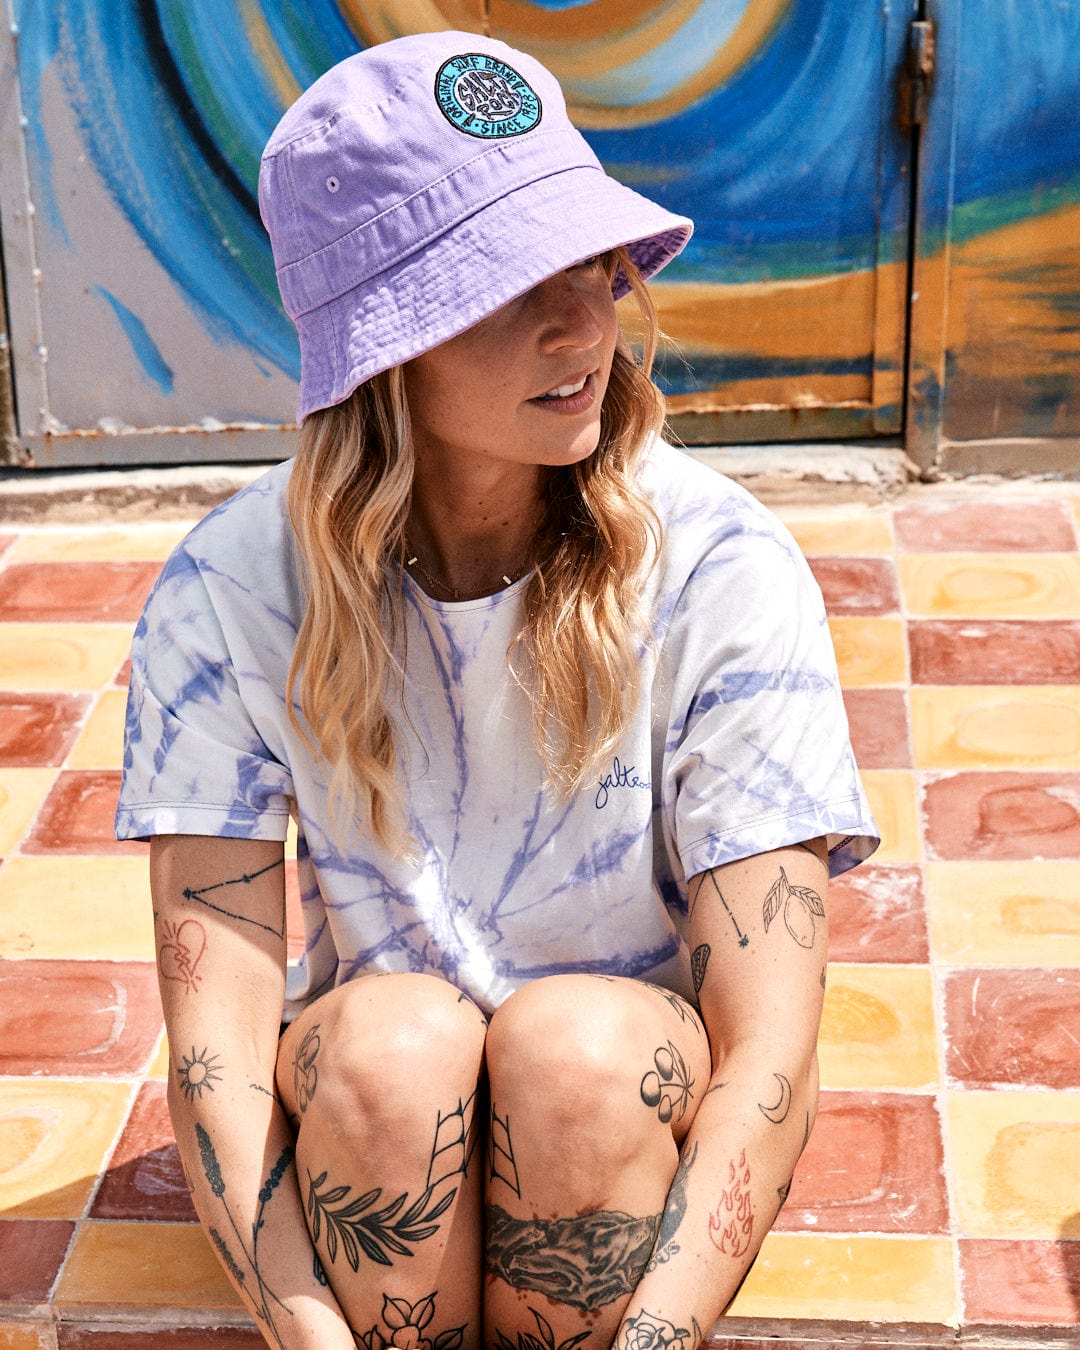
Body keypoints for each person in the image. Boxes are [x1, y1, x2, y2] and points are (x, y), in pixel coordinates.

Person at [116, 30, 878, 1350]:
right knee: (391, 1050)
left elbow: (771, 1050)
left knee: (577, 1054)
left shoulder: (722, 566)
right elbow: (219, 1051)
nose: (584, 318)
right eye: (507, 280)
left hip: (618, 1117)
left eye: (590, 257)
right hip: (383, 1116)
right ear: (379, 343)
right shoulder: (231, 589)